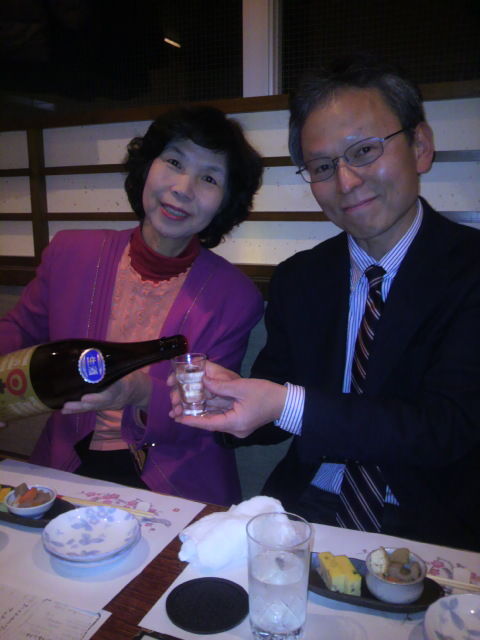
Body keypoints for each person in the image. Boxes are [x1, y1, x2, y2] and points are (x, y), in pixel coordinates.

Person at [169, 55, 480, 551]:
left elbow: (445, 428)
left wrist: (284, 403)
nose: (346, 181)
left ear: (420, 146)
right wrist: (226, 402)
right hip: (305, 509)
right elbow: (275, 403)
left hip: (433, 525)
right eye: (322, 166)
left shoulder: (469, 270)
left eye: (364, 151)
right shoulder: (300, 277)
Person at [0, 104, 264, 506]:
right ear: (147, 166)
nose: (183, 188)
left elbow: (207, 413)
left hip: (176, 479)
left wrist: (140, 393)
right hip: (67, 466)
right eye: (174, 162)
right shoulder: (71, 253)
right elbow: (19, 332)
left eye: (209, 178)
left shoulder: (235, 297)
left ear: (225, 201)